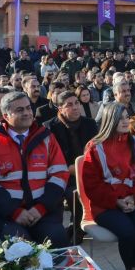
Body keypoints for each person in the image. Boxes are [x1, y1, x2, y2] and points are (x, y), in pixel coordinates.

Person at [78, 103, 135, 270]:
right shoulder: (94, 147)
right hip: (106, 205)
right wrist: (117, 201)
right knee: (128, 232)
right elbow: (91, 186)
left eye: (127, 117)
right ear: (109, 120)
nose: (125, 121)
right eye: (120, 118)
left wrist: (133, 198)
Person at [0, 91, 70, 246]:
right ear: (5, 115)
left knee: (57, 240)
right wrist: (15, 212)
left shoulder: (46, 137)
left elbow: (60, 175)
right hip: (3, 215)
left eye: (28, 108)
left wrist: (41, 208)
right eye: (19, 110)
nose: (27, 113)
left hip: (42, 212)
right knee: (20, 248)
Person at [42, 90, 97, 242]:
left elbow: (96, 151)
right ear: (60, 109)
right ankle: (72, 228)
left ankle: (79, 228)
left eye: (77, 103)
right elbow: (48, 157)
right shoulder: (49, 128)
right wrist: (67, 168)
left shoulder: (90, 124)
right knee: (72, 192)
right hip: (60, 173)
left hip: (87, 171)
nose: (75, 107)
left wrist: (83, 168)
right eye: (69, 105)